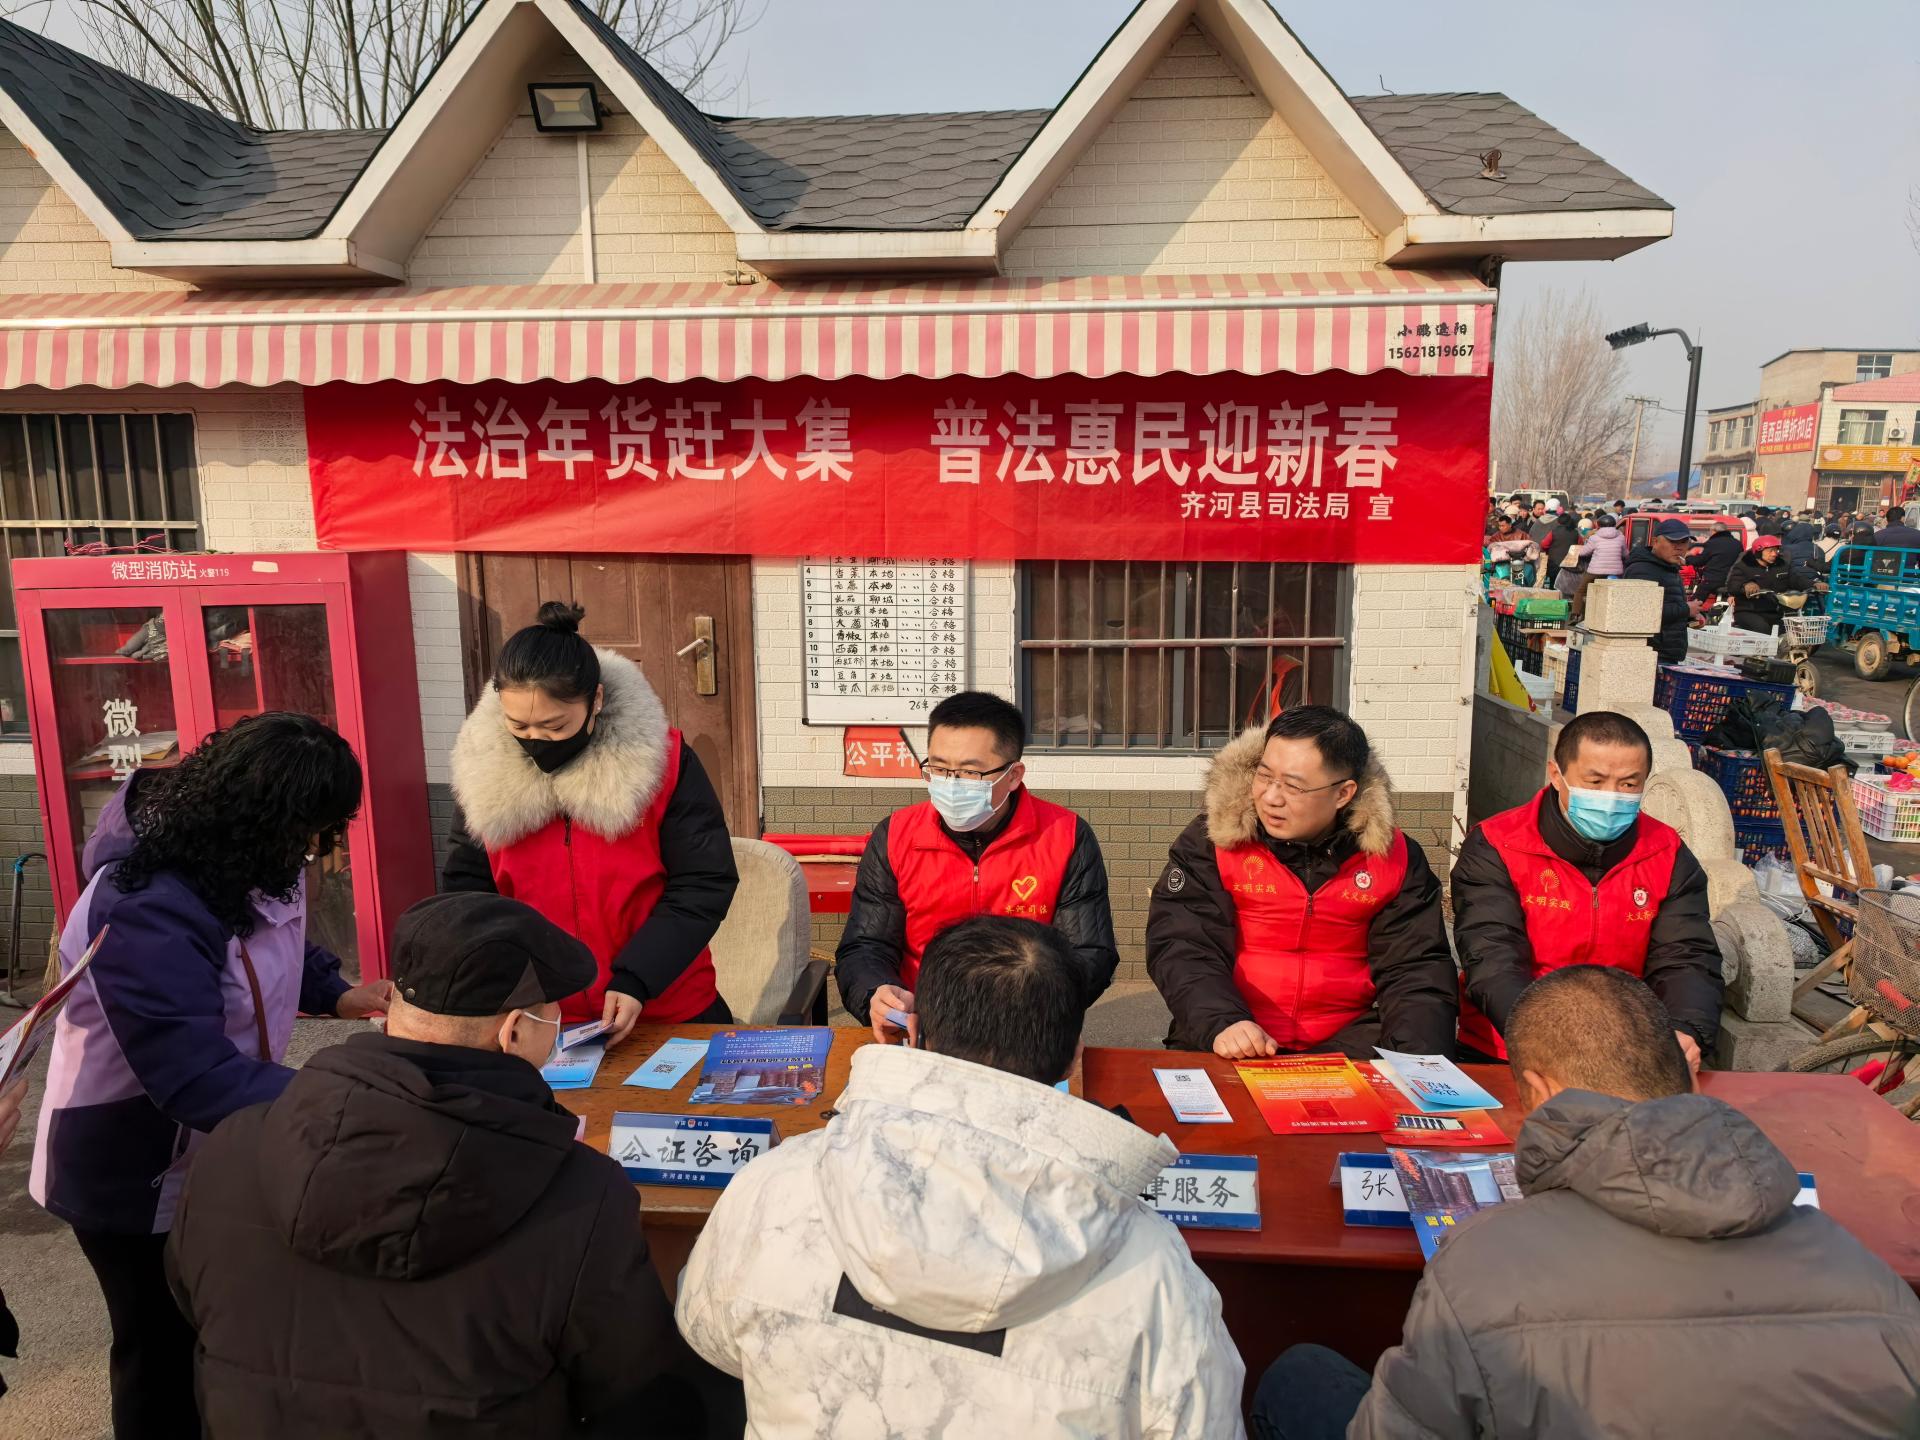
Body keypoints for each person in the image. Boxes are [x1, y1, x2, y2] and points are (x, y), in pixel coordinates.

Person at [1251, 965, 1920, 1440]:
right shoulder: (1868, 1277)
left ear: (1541, 1093)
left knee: (1299, 1377)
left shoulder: (1483, 1264)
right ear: (1682, 1074)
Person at [677, 915, 1246, 1439]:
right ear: (1073, 1057)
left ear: (914, 1031)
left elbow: (707, 1333)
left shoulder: (775, 1184)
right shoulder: (1153, 1268)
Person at [168, 891, 702, 1439]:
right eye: (553, 1015)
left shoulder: (231, 1150)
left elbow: (192, 1313)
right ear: (514, 1032)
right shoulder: (582, 1197)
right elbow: (643, 1398)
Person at [29, 714, 388, 1440]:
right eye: (313, 835)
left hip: (216, 1142)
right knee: (159, 1352)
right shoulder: (143, 904)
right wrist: (348, 1101)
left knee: (220, 1334)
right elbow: (193, 1077)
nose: (320, 854)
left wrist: (338, 991)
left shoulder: (247, 858)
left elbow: (277, 938)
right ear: (259, 820)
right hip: (127, 1161)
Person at [445, 601, 738, 1039]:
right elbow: (467, 893)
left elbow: (703, 882)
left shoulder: (664, 763)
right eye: (518, 727)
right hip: (537, 1014)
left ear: (596, 700)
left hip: (663, 1002)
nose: (536, 740)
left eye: (555, 726)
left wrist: (638, 976)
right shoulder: (481, 772)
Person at [1146, 707, 1456, 1060]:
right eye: (1264, 776)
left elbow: (1415, 968)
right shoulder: (1213, 842)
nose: (1271, 797)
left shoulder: (1394, 857)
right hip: (1232, 1038)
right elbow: (1183, 944)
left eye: (1293, 786)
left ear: (1343, 794)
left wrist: (1419, 1063)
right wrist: (1222, 1022)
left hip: (1351, 1045)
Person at [834, 689, 1118, 1045]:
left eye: (970, 772)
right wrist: (876, 992)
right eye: (939, 768)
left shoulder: (1066, 837)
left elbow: (1089, 953)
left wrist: (1029, 1009)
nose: (951, 784)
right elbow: (866, 944)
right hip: (919, 1026)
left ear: (1013, 775)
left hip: (1025, 1030)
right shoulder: (895, 836)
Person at [1451, 710, 1723, 1069]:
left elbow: (1685, 954)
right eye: (1595, 781)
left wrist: (1686, 1027)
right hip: (1513, 1045)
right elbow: (1492, 958)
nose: (1611, 797)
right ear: (1556, 775)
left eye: (1629, 784)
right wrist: (1545, 1039)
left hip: (1627, 1049)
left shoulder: (1666, 851)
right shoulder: (1497, 844)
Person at [1622, 517, 1705, 661]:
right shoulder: (1642, 569)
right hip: (1650, 654)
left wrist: (1691, 616)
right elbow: (1640, 613)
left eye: (1684, 542)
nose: (1679, 547)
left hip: (1665, 651)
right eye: (1673, 542)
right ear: (1655, 542)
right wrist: (1686, 609)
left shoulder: (1668, 567)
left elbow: (1667, 605)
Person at [1726, 535, 1820, 634]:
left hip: (1774, 612)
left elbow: (1797, 579)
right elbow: (1733, 585)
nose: (1774, 554)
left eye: (1776, 550)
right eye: (1770, 551)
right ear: (1758, 551)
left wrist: (1814, 584)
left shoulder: (1782, 565)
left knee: (1793, 630)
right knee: (1763, 629)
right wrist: (1746, 585)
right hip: (1749, 611)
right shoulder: (1744, 566)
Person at [1691, 520, 1742, 600]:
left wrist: (1689, 559)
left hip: (1714, 580)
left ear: (1714, 531)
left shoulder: (1712, 543)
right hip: (1733, 580)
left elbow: (1700, 561)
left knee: (1697, 598)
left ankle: (1694, 606)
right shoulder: (1738, 543)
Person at [1483, 514, 1538, 579]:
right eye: (1499, 526)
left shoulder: (1521, 534)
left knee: (1519, 578)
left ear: (1510, 525)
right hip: (1501, 564)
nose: (1501, 528)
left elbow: (1530, 545)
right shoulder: (1495, 536)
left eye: (1503, 526)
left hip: (1519, 561)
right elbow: (1491, 549)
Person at [1541, 509, 1578, 588]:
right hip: (1570, 564)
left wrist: (1549, 551)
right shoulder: (1575, 533)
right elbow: (1580, 546)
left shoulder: (1554, 532)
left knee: (1553, 583)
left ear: (1558, 521)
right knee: (1567, 585)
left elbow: (1544, 544)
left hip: (1554, 563)